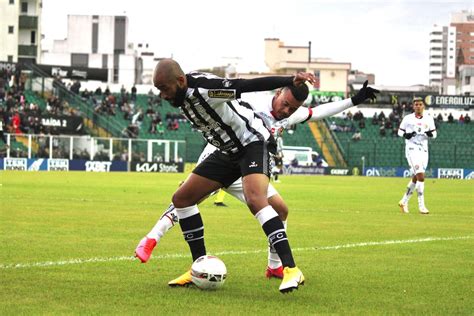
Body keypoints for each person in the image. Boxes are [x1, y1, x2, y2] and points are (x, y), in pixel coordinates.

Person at [136, 61, 378, 291]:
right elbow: (243, 87)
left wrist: (354, 100)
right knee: (183, 198)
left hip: (253, 145)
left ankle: (289, 269)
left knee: (263, 202)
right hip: (226, 152)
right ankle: (196, 263)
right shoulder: (250, 100)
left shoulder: (209, 91)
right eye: (285, 103)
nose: (286, 111)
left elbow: (315, 112)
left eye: (292, 109)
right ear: (279, 93)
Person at [397, 97, 437, 214]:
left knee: (416, 177)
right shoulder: (408, 118)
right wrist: (406, 135)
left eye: (420, 104)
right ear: (413, 107)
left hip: (424, 150)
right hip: (412, 149)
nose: (418, 106)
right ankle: (421, 206)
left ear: (423, 106)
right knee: (421, 176)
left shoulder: (429, 119)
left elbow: (434, 134)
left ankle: (404, 201)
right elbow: (400, 132)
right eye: (416, 105)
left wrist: (430, 134)